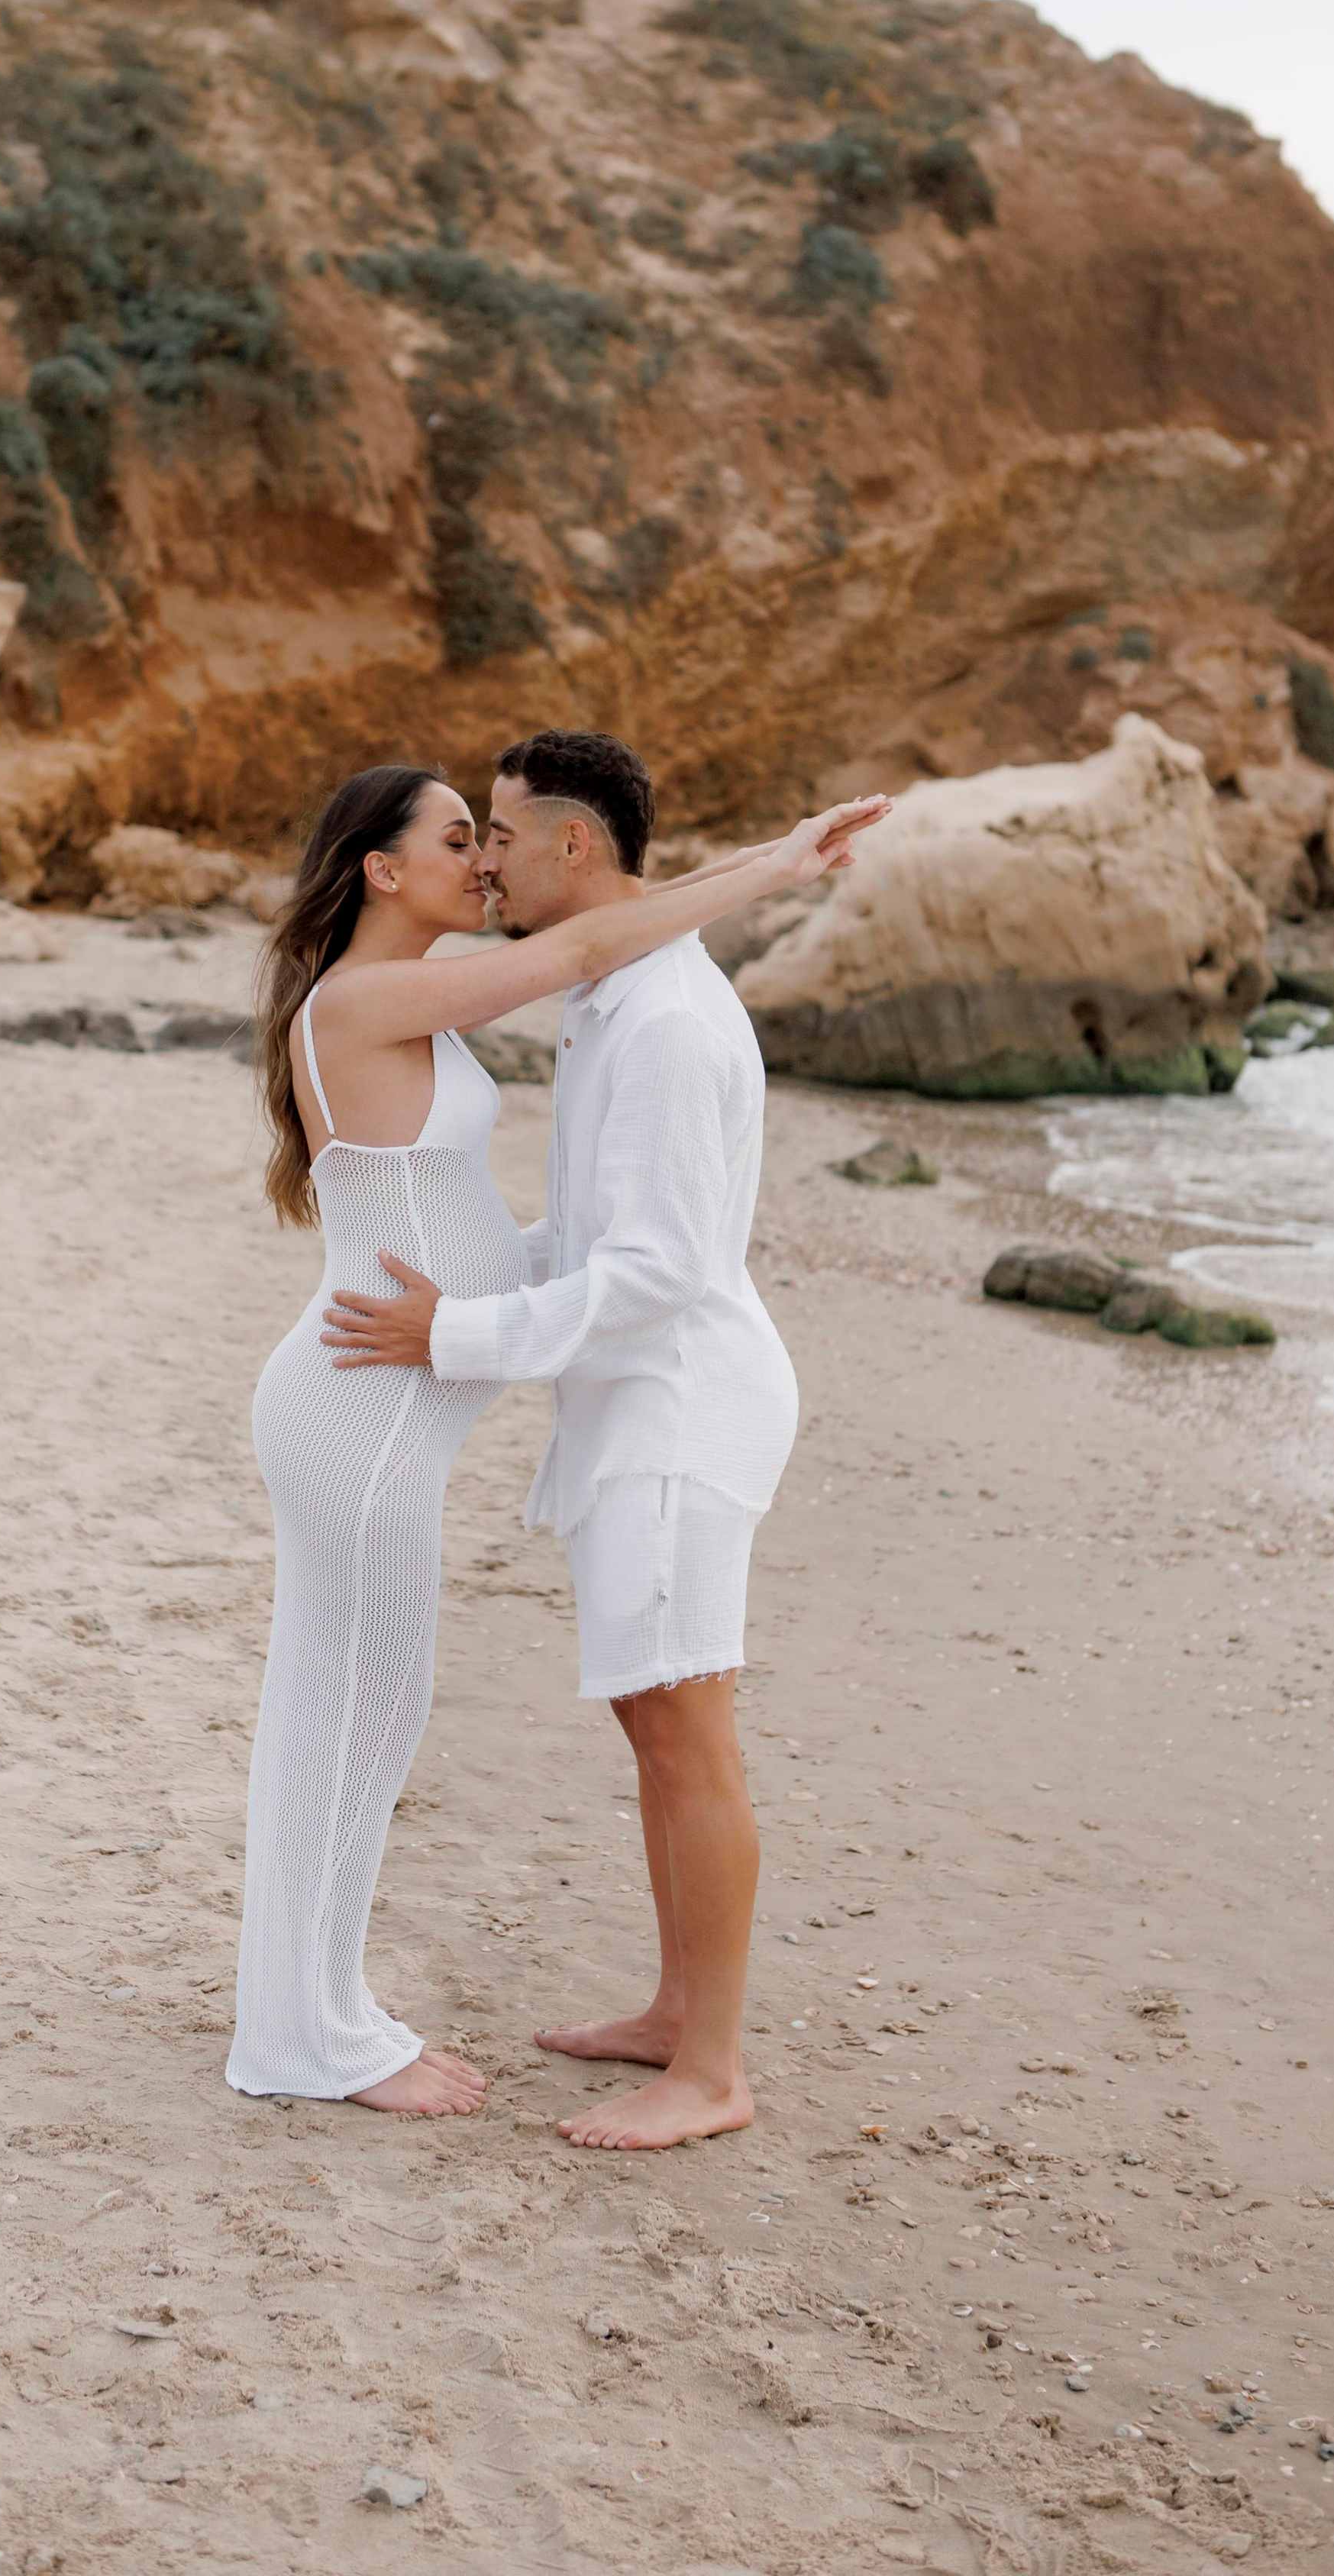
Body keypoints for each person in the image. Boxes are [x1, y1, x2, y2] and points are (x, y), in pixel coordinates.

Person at [228, 756, 887, 2118]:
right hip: (359, 1412)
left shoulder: (411, 1010)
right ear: (383, 872)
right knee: (344, 1723)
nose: (481, 861)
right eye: (460, 838)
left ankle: (322, 2011)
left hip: (380, 1410)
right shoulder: (369, 996)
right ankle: (308, 2038)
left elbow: (484, 1218)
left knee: (358, 1720)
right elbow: (586, 939)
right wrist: (779, 861)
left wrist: (486, 1296)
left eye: (497, 836)